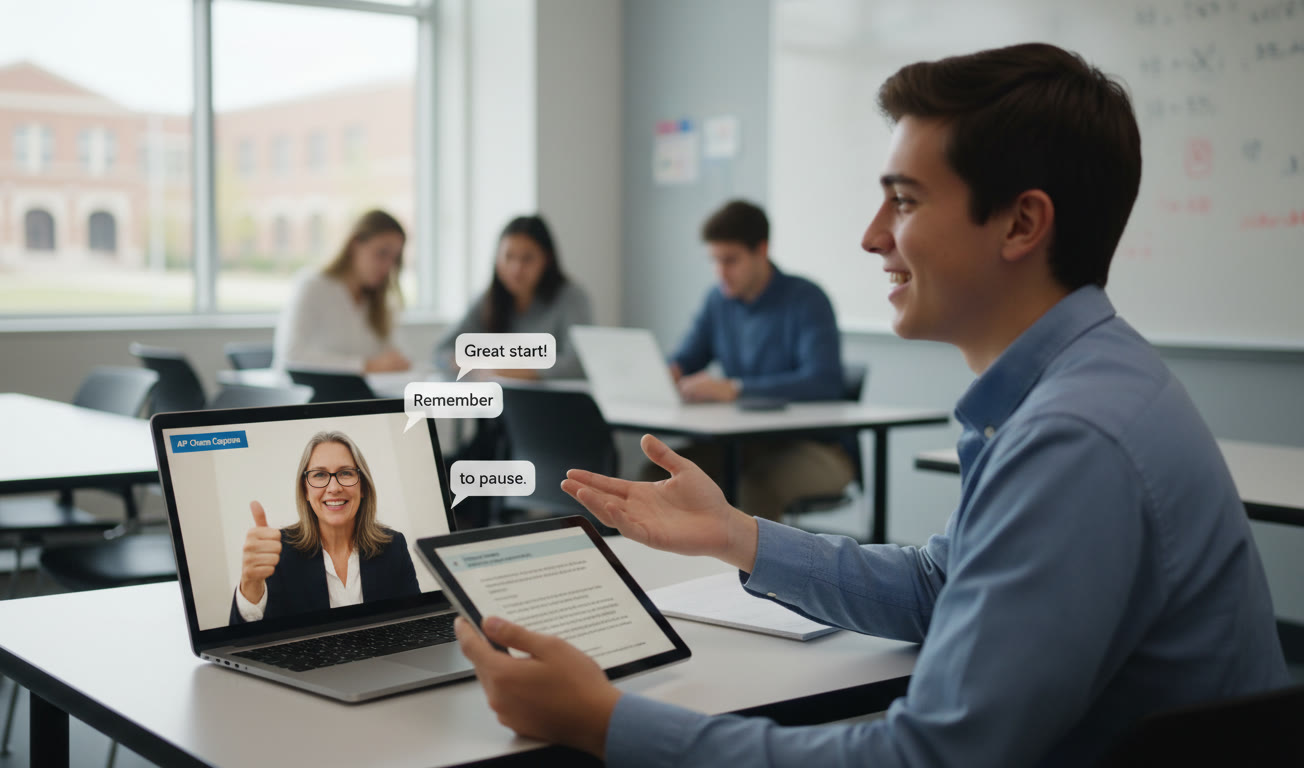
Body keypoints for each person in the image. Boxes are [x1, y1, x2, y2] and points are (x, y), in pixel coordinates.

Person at [452, 43, 1290, 766]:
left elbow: (929, 759)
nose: (872, 235)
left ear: (1021, 224)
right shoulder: (1079, 384)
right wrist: (733, 535)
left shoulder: (1073, 437)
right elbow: (939, 586)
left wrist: (605, 722)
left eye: (907, 199)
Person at [644, 199, 854, 522]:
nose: (721, 272)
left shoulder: (807, 300)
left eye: (730, 260)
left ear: (762, 250)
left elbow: (823, 381)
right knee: (656, 472)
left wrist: (736, 389)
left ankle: (754, 574)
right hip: (746, 443)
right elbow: (687, 356)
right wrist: (669, 371)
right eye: (714, 260)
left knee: (756, 487)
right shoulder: (719, 301)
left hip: (816, 449)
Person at [230, 430, 419, 624]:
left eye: (345, 473)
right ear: (305, 489)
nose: (334, 487)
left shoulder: (393, 546)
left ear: (362, 487)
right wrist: (250, 583)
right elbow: (250, 642)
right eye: (320, 475)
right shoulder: (278, 551)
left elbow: (415, 622)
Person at [434, 214, 592, 380]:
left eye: (527, 259)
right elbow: (441, 352)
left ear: (546, 260)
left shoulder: (571, 298)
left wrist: (517, 370)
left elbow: (578, 363)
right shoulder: (489, 299)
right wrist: (460, 362)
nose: (516, 269)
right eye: (509, 257)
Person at [273, 209, 413, 373]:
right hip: (305, 394)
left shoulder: (380, 302)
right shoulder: (313, 286)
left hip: (360, 395)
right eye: (382, 253)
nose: (388, 266)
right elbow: (291, 354)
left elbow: (394, 354)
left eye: (394, 259)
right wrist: (366, 366)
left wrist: (396, 363)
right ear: (355, 245)